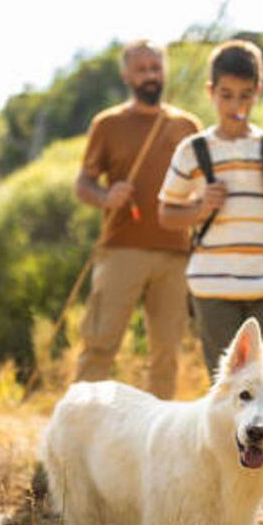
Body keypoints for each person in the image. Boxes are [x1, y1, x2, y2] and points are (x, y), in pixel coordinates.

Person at [157, 39, 263, 525]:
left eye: (245, 96)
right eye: (226, 95)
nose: (236, 105)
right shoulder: (193, 151)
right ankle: (222, 516)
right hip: (214, 288)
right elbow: (167, 214)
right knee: (231, 404)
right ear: (211, 92)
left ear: (258, 92)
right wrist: (199, 206)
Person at [74, 40, 202, 400]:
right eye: (141, 69)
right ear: (126, 75)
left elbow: (202, 186)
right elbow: (83, 184)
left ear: (165, 71)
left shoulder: (187, 125)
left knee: (166, 354)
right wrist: (105, 196)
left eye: (156, 68)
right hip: (120, 249)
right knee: (100, 343)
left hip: (176, 253)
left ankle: (156, 431)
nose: (150, 75)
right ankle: (78, 425)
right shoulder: (108, 124)